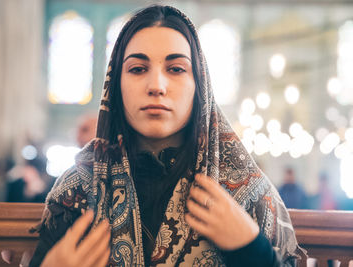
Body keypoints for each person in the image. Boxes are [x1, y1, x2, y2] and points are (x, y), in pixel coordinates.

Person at [30, 5, 302, 267]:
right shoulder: (80, 185)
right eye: (137, 69)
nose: (156, 86)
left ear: (200, 86)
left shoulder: (241, 189)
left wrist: (250, 247)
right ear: (116, 85)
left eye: (176, 69)